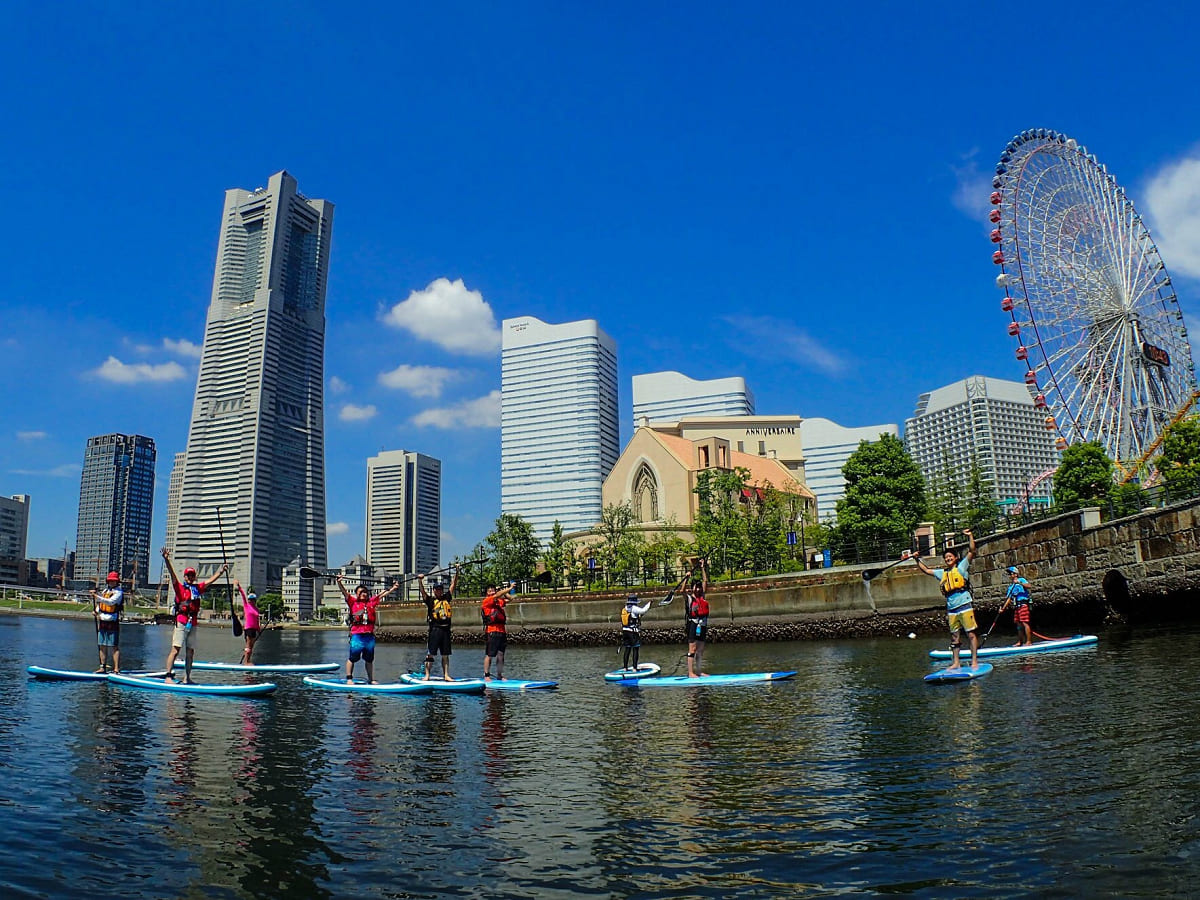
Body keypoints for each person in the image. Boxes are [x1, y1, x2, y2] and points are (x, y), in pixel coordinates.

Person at [913, 529, 979, 670]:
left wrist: (970, 536)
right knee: (955, 637)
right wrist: (917, 559)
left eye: (950, 557)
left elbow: (972, 551)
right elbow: (926, 570)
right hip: (951, 608)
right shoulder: (941, 573)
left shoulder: (962, 567)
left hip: (964, 605)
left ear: (955, 558)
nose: (948, 558)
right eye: (946, 557)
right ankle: (956, 662)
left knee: (971, 634)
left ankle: (974, 661)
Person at [161, 548, 226, 683]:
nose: (190, 577)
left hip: (193, 622)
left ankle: (187, 678)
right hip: (182, 621)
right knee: (176, 649)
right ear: (185, 577)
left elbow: (210, 581)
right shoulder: (179, 587)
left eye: (192, 575)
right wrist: (166, 559)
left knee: (190, 651)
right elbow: (172, 574)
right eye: (188, 575)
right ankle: (168, 676)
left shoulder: (197, 589)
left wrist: (221, 571)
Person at [337, 576, 400, 684]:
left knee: (369, 659)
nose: (364, 594)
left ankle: (371, 679)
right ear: (357, 594)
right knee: (352, 658)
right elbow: (344, 592)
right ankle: (349, 678)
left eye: (365, 592)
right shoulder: (352, 602)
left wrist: (394, 588)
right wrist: (339, 582)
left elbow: (383, 594)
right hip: (357, 635)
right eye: (361, 592)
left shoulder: (371, 602)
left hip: (369, 635)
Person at [419, 565, 459, 680]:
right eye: (437, 589)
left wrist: (457, 571)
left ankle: (446, 675)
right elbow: (423, 593)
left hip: (446, 630)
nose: (439, 591)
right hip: (435, 630)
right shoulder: (430, 601)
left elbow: (453, 585)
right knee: (430, 653)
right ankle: (427, 675)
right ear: (434, 590)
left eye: (440, 589)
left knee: (445, 654)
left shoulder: (446, 597)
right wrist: (420, 581)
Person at [480, 582, 518, 681]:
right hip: (492, 631)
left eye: (493, 590)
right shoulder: (487, 601)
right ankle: (487, 675)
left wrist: (504, 590)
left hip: (502, 631)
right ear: (487, 593)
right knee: (490, 654)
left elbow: (511, 599)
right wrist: (509, 588)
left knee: (501, 655)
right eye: (490, 591)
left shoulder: (499, 601)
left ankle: (499, 675)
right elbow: (497, 595)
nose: (492, 592)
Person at [91, 571, 124, 673]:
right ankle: (102, 667)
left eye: (114, 581)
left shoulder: (119, 592)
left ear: (117, 582)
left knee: (114, 646)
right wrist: (96, 611)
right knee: (102, 645)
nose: (112, 583)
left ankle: (116, 669)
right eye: (110, 581)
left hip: (112, 621)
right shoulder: (105, 591)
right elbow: (101, 604)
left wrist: (96, 597)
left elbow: (110, 602)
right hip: (103, 620)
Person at [685, 558, 710, 677]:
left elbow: (705, 581)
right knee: (692, 650)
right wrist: (686, 578)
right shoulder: (689, 598)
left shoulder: (702, 595)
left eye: (699, 587)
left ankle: (699, 671)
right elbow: (682, 591)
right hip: (693, 624)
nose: (699, 589)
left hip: (702, 624)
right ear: (692, 588)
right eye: (696, 587)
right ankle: (690, 672)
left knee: (700, 649)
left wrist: (702, 567)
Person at [1000, 565, 1033, 646]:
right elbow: (1009, 599)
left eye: (1011, 574)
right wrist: (1003, 608)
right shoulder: (1011, 587)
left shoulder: (1021, 580)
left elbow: (1029, 586)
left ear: (1015, 574)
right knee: (1018, 624)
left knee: (1024, 623)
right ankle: (1020, 642)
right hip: (1017, 607)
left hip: (1023, 604)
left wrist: (1019, 582)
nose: (1010, 576)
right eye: (1009, 574)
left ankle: (1028, 641)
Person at [619, 594, 652, 672]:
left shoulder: (624, 609)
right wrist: (649, 604)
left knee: (627, 649)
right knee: (635, 649)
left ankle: (625, 667)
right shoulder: (634, 608)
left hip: (625, 632)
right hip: (633, 633)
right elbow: (643, 610)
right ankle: (634, 668)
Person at [235, 579, 261, 665]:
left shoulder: (257, 609)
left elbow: (257, 620)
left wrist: (258, 629)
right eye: (250, 599)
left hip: (254, 629)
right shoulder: (246, 606)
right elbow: (242, 595)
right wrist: (238, 587)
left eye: (253, 599)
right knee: (248, 645)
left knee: (251, 646)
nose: (251, 601)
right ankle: (247, 662)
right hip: (248, 628)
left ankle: (248, 660)